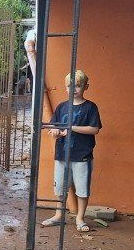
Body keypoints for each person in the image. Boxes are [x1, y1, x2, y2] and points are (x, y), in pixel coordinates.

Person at [41, 70, 101, 232]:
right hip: (62, 155)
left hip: (82, 156)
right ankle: (59, 216)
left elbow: (94, 129)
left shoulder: (90, 107)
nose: (73, 89)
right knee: (60, 187)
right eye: (70, 86)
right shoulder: (61, 107)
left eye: (78, 85)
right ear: (65, 87)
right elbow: (54, 125)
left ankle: (80, 218)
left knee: (82, 189)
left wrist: (72, 128)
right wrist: (53, 131)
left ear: (85, 87)